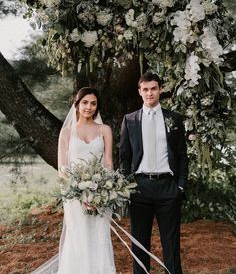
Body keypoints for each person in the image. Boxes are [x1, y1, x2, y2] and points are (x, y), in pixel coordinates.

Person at [31, 87, 116, 274]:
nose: (89, 107)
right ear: (76, 105)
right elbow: (63, 169)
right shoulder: (67, 132)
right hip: (74, 198)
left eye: (93, 103)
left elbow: (108, 163)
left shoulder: (105, 130)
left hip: (100, 197)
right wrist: (79, 195)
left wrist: (100, 194)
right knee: (78, 241)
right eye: (85, 103)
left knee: (99, 239)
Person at [119, 71, 188, 274]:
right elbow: (124, 156)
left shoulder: (174, 119)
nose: (150, 93)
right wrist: (127, 185)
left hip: (168, 188)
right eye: (145, 89)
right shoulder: (130, 120)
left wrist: (181, 186)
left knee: (171, 244)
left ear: (160, 90)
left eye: (154, 89)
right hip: (139, 188)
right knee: (139, 244)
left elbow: (182, 155)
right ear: (140, 92)